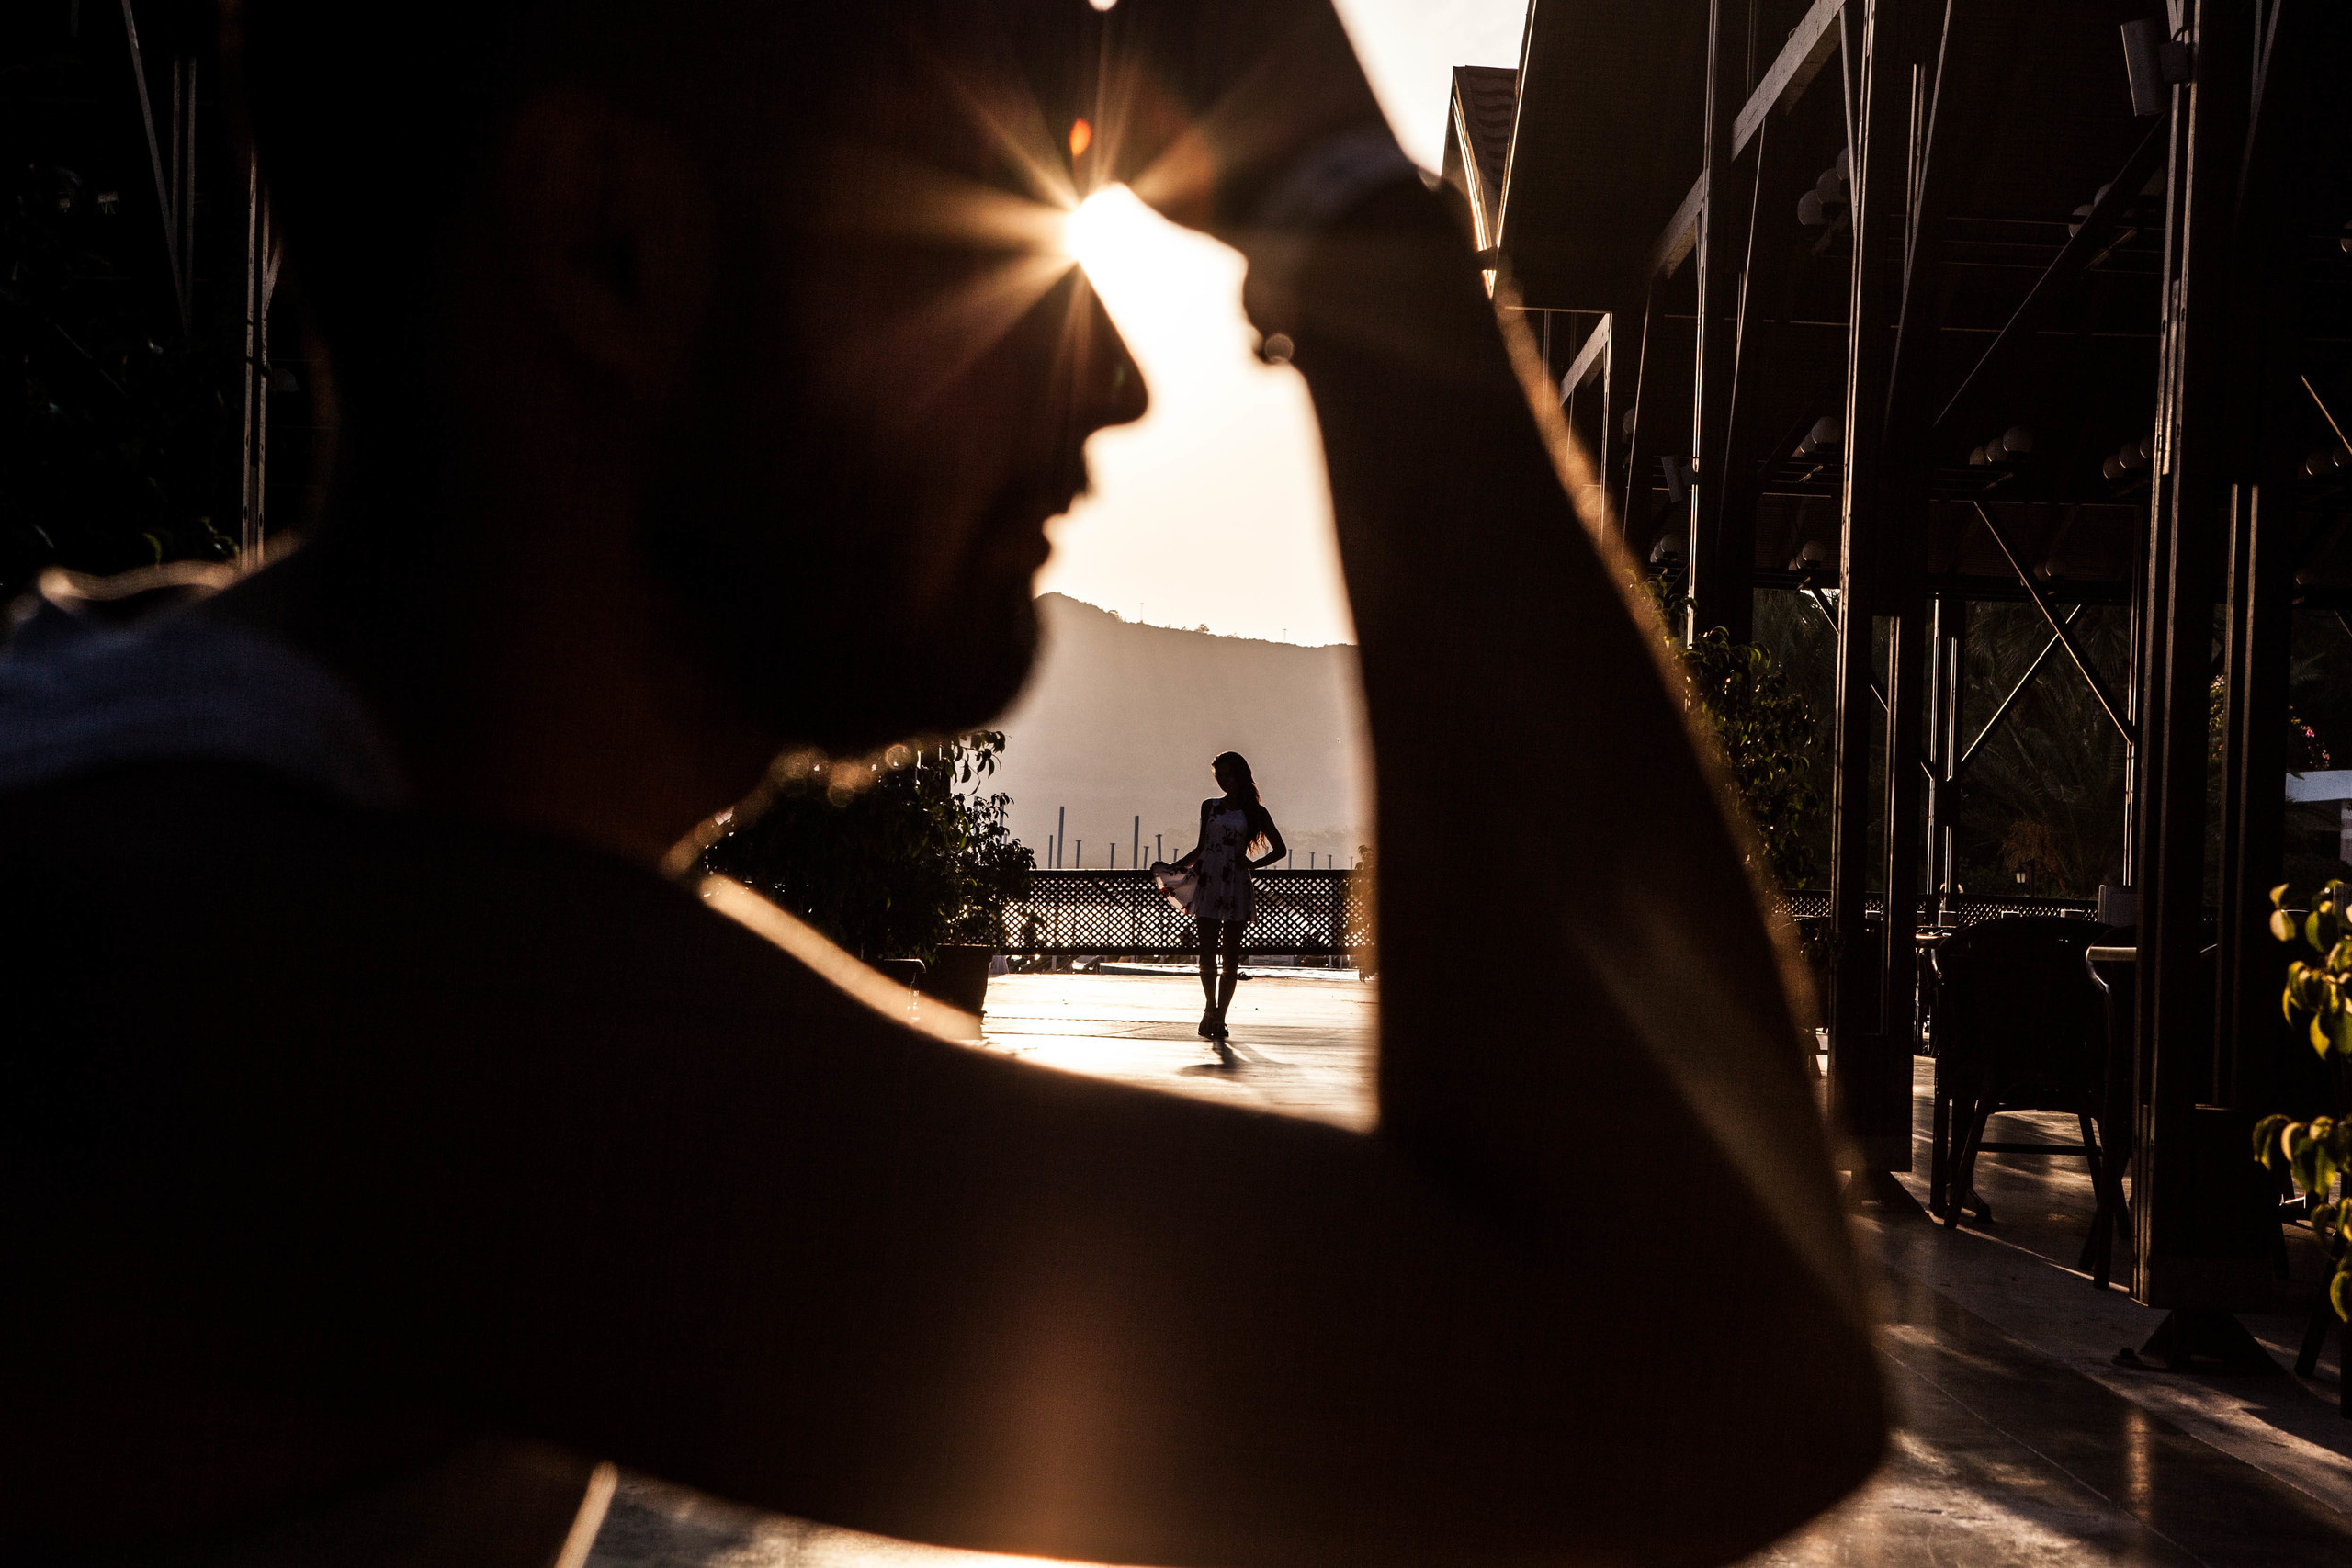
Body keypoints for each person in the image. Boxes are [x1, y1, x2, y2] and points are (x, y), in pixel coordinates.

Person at [0, 1, 1887, 1564]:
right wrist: (1342, 223)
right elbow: (1695, 1379)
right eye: (964, 233)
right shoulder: (303, 1006)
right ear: (609, 243)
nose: (1120, 384)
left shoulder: (192, 822)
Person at [1157, 751, 1286, 1052]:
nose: (1224, 782)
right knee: (1206, 954)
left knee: (1230, 957)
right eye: (1220, 777)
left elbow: (1279, 849)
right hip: (1210, 882)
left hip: (1235, 883)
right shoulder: (1210, 807)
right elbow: (1203, 847)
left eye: (1228, 775)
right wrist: (1177, 868)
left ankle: (1220, 1016)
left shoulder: (1257, 813)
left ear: (1240, 775)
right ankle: (1210, 1008)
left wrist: (1251, 865)